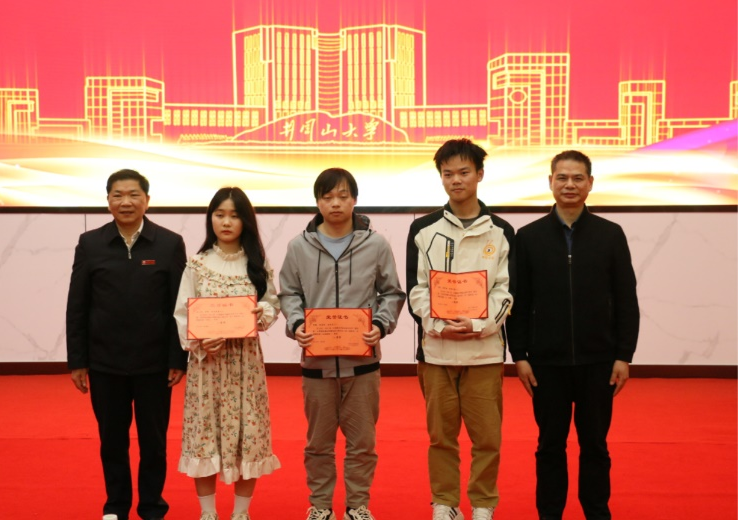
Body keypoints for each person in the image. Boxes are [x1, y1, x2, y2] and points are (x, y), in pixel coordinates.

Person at [507, 150, 640, 520]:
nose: (570, 185)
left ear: (590, 184)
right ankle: (550, 513)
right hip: (546, 363)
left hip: (599, 361)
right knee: (549, 444)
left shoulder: (610, 234)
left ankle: (597, 512)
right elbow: (518, 301)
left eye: (578, 178)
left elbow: (626, 299)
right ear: (550, 182)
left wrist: (624, 355)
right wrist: (520, 355)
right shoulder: (528, 237)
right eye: (562, 177)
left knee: (595, 444)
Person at [278, 168, 406, 521]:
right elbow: (289, 294)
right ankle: (320, 507)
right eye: (328, 197)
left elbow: (392, 293)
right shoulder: (299, 246)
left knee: (362, 443)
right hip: (316, 364)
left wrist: (380, 325)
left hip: (363, 363)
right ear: (317, 202)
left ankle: (357, 506)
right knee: (318, 444)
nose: (335, 203)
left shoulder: (375, 245)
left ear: (355, 200)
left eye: (343, 196)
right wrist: (297, 324)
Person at [66, 169, 188, 521]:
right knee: (112, 441)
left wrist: (177, 357)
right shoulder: (90, 243)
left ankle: (151, 506)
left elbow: (179, 306)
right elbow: (78, 305)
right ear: (108, 201)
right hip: (105, 362)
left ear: (147, 200)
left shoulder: (169, 243)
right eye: (118, 195)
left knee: (154, 442)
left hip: (154, 364)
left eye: (134, 194)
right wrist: (78, 360)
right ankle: (116, 506)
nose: (126, 202)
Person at [406, 138, 514, 521]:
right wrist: (438, 325)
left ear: (479, 174)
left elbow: (505, 291)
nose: (456, 180)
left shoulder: (501, 231)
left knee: (487, 438)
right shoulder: (423, 229)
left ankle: (483, 505)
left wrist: (478, 325)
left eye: (464, 172)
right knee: (441, 437)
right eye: (448, 173)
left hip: (484, 352)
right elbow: (416, 289)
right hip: (436, 353)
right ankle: (445, 503)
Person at [173, 187, 281, 521]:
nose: (226, 222)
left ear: (245, 221)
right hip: (208, 365)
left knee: (249, 435)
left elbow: (272, 303)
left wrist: (261, 313)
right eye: (219, 214)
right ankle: (207, 512)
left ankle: (241, 513)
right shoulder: (197, 264)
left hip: (246, 365)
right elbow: (182, 313)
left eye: (234, 215)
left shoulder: (257, 264)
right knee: (205, 435)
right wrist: (199, 341)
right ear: (211, 219)